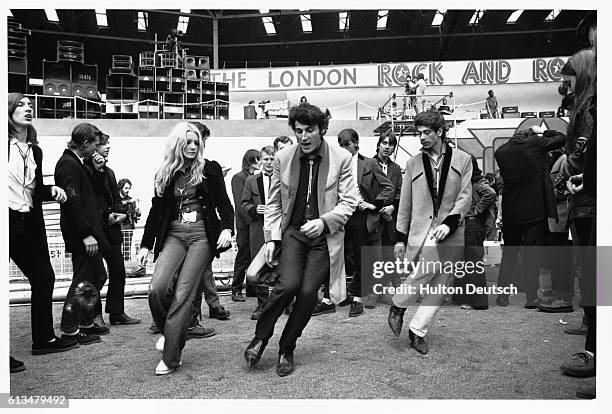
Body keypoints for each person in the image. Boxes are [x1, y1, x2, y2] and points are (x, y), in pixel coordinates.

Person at [244, 103, 357, 377]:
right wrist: (271, 239)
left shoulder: (341, 158)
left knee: (307, 295)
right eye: (299, 131)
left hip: (323, 237)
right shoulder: (283, 157)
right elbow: (272, 202)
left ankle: (287, 347)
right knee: (287, 286)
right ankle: (261, 338)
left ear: (322, 130)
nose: (304, 137)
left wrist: (324, 222)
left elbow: (350, 201)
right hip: (292, 232)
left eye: (309, 130)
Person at [137, 122, 234, 375]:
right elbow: (155, 212)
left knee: (183, 293)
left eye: (196, 142)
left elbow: (224, 205)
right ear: (177, 144)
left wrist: (227, 228)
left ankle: (170, 357)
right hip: (174, 234)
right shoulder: (165, 173)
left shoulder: (209, 169)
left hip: (202, 235)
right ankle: (173, 334)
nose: (193, 146)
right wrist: (146, 244)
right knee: (156, 289)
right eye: (188, 142)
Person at [387, 110, 472, 354]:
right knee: (427, 269)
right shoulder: (412, 163)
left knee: (442, 286)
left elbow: (465, 197)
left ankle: (417, 331)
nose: (422, 137)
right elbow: (405, 204)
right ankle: (398, 304)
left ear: (440, 132)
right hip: (422, 232)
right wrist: (400, 239)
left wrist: (450, 223)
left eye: (427, 132)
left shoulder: (464, 160)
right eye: (419, 133)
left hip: (452, 230)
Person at [8, 93, 77, 373]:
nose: (28, 108)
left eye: (29, 104)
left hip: (28, 223)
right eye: (20, 104)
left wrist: (51, 190)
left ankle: (44, 339)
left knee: (44, 276)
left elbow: (32, 189)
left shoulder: (34, 150)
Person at [312, 128, 393, 316]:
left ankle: (357, 299)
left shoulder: (370, 163)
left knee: (360, 258)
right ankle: (328, 299)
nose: (344, 148)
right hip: (339, 215)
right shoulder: (334, 163)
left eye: (347, 145)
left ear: (356, 143)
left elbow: (388, 187)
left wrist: (373, 205)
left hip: (359, 217)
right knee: (333, 256)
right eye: (341, 145)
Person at [559, 13, 597, 398]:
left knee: (597, 281)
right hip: (586, 202)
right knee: (593, 281)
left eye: (570, 76)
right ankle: (593, 346)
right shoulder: (584, 108)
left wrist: (578, 170)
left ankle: (595, 355)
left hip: (590, 205)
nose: (564, 85)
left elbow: (583, 158)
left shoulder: (589, 111)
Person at [494, 124, 566, 308]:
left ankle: (502, 296)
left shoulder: (501, 152)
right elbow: (561, 137)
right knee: (532, 254)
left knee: (509, 254)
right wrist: (542, 132)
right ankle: (531, 298)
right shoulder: (535, 143)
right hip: (534, 209)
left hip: (512, 209)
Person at [54, 123, 111, 347]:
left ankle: (84, 323)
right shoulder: (68, 164)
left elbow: (90, 195)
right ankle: (70, 328)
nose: (98, 149)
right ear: (86, 144)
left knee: (97, 276)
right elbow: (73, 202)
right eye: (96, 145)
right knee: (83, 280)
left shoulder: (77, 163)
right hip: (82, 234)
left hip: (87, 231)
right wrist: (86, 234)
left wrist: (97, 171)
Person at [84, 132, 141, 326]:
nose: (107, 147)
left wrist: (122, 214)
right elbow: (89, 201)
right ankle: (93, 315)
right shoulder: (86, 170)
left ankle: (117, 313)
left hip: (112, 231)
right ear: (93, 148)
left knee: (118, 271)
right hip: (95, 231)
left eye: (107, 144)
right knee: (97, 274)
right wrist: (105, 216)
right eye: (103, 144)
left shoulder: (110, 172)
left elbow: (116, 201)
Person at [451, 156, 496, 310]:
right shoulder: (467, 180)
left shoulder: (476, 180)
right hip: (467, 223)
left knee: (473, 262)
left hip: (472, 223)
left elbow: (490, 194)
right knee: (465, 261)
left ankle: (478, 301)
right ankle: (463, 298)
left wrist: (477, 210)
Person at [242, 146, 277, 319]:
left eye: (272, 159)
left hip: (278, 229)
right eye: (266, 159)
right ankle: (262, 304)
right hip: (258, 229)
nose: (269, 163)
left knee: (282, 263)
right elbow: (244, 204)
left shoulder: (283, 179)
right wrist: (256, 209)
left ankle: (285, 302)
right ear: (260, 161)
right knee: (258, 266)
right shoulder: (251, 181)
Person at [230, 149, 261, 303]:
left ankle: (251, 288)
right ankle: (235, 289)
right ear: (250, 161)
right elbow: (240, 203)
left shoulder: (253, 177)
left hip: (253, 223)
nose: (260, 163)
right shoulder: (239, 178)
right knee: (243, 257)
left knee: (253, 256)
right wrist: (251, 222)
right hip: (245, 225)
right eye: (257, 160)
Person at [117, 178, 140, 261]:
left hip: (128, 227)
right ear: (120, 187)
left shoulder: (131, 199)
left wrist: (137, 211)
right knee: (117, 250)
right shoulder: (115, 199)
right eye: (126, 188)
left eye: (129, 188)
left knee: (127, 250)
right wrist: (130, 201)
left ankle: (127, 268)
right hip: (117, 227)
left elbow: (135, 216)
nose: (128, 190)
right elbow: (118, 205)